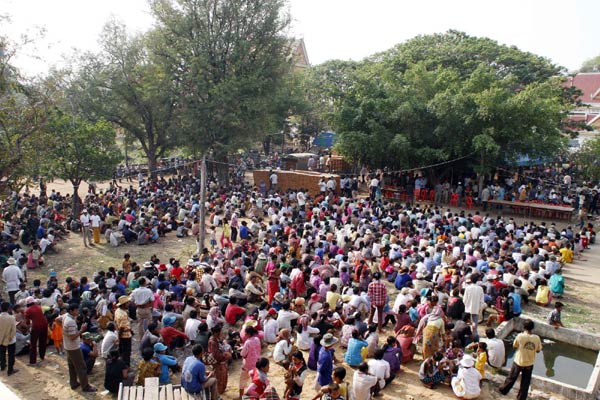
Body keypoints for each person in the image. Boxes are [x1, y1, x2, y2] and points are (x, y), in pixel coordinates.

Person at [499, 319, 542, 400]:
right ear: (532, 328)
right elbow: (538, 350)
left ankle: (503, 390)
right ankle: (521, 398)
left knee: (511, 378)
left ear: (524, 327)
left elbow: (515, 346)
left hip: (519, 361)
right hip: (529, 363)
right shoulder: (537, 338)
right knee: (525, 383)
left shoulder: (520, 336)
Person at [63, 304, 96, 392]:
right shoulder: (70, 321)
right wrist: (81, 330)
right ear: (71, 311)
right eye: (76, 310)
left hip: (68, 346)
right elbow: (72, 337)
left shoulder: (65, 316)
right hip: (73, 347)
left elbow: (57, 319)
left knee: (72, 366)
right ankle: (85, 386)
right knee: (81, 367)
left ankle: (73, 383)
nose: (77, 312)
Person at [208, 324, 232, 395]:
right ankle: (219, 393)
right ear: (216, 332)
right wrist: (226, 356)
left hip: (221, 362)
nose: (221, 333)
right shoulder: (213, 342)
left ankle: (221, 390)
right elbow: (216, 356)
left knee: (223, 377)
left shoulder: (216, 339)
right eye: (220, 332)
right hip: (219, 363)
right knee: (220, 378)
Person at [24, 296, 48, 365]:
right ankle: (42, 356)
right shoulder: (38, 307)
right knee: (42, 341)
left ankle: (32, 361)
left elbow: (27, 322)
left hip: (36, 326)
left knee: (33, 344)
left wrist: (28, 329)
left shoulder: (27, 310)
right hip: (45, 324)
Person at [240, 325, 262, 398]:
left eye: (246, 333)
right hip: (256, 363)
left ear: (249, 334)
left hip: (248, 364)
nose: (245, 335)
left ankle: (241, 396)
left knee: (242, 380)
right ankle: (256, 396)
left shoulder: (247, 342)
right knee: (255, 381)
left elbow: (243, 354)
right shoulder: (257, 339)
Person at [0, 302, 18, 376]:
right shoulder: (11, 318)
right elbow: (13, 331)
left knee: (2, 353)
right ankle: (10, 370)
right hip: (10, 340)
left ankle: (3, 366)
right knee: (11, 355)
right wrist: (10, 338)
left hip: (1, 339)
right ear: (8, 309)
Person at [114, 295, 133, 367]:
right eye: (127, 303)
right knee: (127, 353)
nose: (129, 304)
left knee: (122, 351)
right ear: (124, 304)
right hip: (125, 335)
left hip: (121, 333)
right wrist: (119, 337)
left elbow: (116, 322)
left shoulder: (117, 311)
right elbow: (122, 327)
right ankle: (126, 366)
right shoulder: (123, 314)